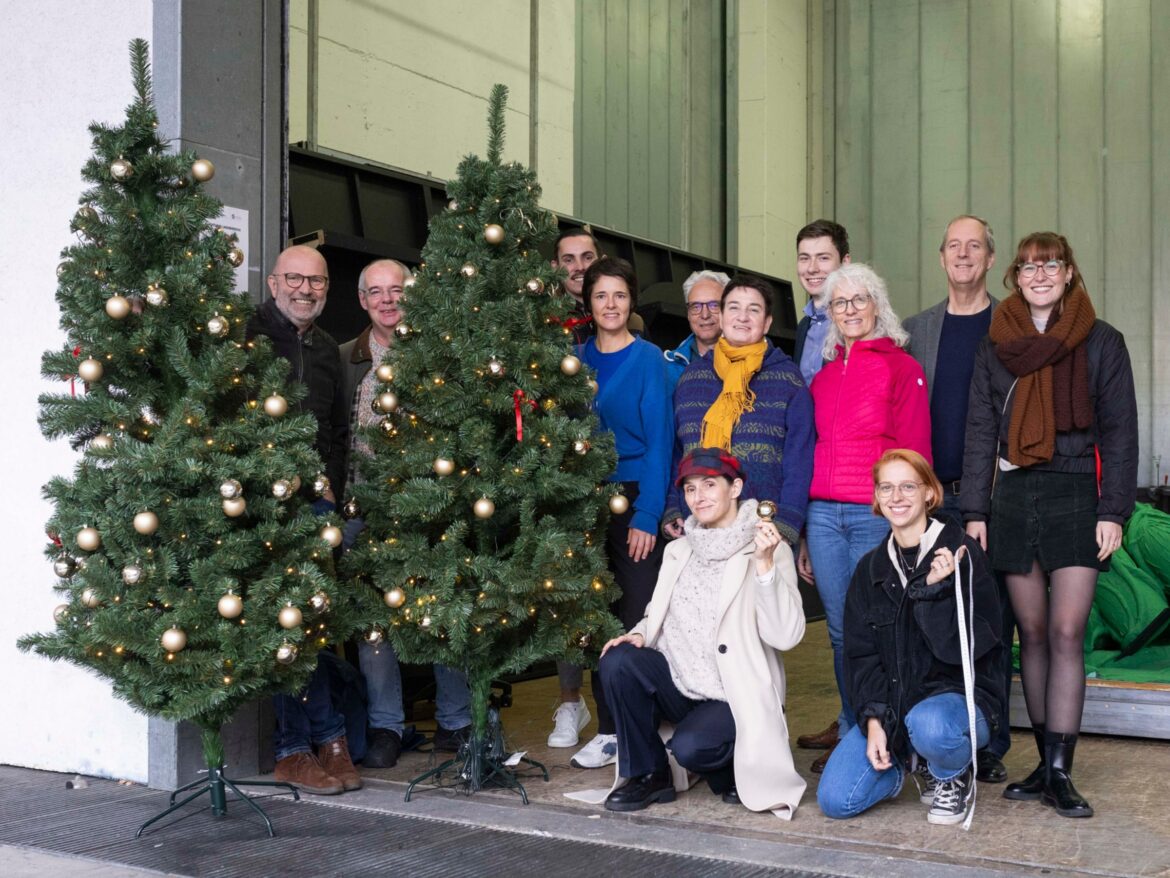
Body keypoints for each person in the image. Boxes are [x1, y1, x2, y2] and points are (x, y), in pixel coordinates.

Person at [962, 232, 1138, 818]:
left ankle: (1062, 771)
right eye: (1028, 266)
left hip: (1073, 493)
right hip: (1012, 494)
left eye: (1051, 264)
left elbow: (1119, 432)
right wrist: (976, 512)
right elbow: (980, 430)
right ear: (1014, 275)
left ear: (1068, 273)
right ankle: (1042, 763)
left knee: (1066, 631)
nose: (1039, 274)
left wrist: (1114, 510)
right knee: (1030, 635)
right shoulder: (996, 343)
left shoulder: (1101, 340)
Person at [598, 448, 806, 817]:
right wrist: (640, 634)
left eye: (710, 485)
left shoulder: (769, 549)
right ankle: (649, 774)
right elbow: (658, 612)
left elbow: (786, 635)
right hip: (680, 681)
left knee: (692, 747)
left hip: (731, 693)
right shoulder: (679, 549)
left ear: (736, 487)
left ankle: (729, 770)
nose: (699, 497)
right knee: (617, 661)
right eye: (691, 489)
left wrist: (764, 568)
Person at [817, 449, 1005, 826]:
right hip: (895, 710)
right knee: (836, 800)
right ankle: (910, 764)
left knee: (931, 726)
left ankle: (952, 773)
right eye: (886, 488)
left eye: (907, 486)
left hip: (956, 710)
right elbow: (861, 656)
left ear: (930, 494)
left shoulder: (962, 555)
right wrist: (873, 722)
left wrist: (935, 592)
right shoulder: (870, 569)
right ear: (875, 498)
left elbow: (966, 650)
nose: (896, 497)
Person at [339, 258, 472, 769]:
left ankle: (456, 722)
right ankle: (385, 726)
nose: (389, 300)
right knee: (374, 624)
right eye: (378, 292)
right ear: (362, 300)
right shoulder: (346, 358)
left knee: (442, 613)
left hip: (431, 504)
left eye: (398, 290)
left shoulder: (439, 357)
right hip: (363, 509)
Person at [799, 263, 931, 774]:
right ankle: (855, 732)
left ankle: (895, 733)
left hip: (874, 515)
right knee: (839, 633)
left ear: (877, 305)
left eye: (859, 300)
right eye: (839, 303)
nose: (850, 310)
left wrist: (907, 524)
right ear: (829, 313)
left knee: (885, 627)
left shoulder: (901, 367)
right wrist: (808, 530)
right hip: (824, 516)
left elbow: (916, 452)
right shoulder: (826, 376)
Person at [904, 214, 1011, 784]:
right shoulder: (916, 329)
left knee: (991, 622)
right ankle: (932, 731)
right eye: (954, 246)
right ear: (941, 258)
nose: (964, 255)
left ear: (991, 259)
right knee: (929, 620)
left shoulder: (1010, 325)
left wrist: (985, 504)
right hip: (927, 495)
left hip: (990, 494)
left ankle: (989, 738)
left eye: (975, 247)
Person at [247, 244, 357, 796]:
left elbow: (337, 432)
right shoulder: (245, 339)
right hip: (263, 503)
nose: (305, 290)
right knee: (282, 625)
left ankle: (329, 739)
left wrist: (329, 489)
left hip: (315, 505)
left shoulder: (325, 351)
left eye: (316, 282)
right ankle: (294, 748)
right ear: (272, 283)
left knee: (314, 624)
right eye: (294, 279)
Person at [560, 257, 673, 770]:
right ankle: (607, 731)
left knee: (635, 615)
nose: (611, 305)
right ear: (588, 302)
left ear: (632, 302)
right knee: (592, 617)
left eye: (620, 296)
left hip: (633, 497)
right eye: (601, 296)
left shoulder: (650, 360)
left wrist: (648, 513)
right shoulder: (572, 360)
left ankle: (642, 727)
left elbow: (660, 444)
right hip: (582, 497)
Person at [663, 275, 814, 549]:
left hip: (766, 533)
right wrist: (674, 507)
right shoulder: (691, 379)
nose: (742, 317)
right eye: (734, 307)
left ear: (767, 322)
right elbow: (677, 452)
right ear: (721, 317)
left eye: (753, 310)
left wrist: (787, 524)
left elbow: (800, 459)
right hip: (699, 530)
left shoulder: (789, 380)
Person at [792, 219, 851, 387]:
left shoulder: (857, 323)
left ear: (845, 262)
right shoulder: (804, 326)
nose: (812, 268)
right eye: (804, 258)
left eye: (823, 258)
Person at [663, 270, 728, 394]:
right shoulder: (669, 367)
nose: (705, 315)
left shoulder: (751, 362)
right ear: (688, 314)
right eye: (696, 306)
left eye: (714, 305)